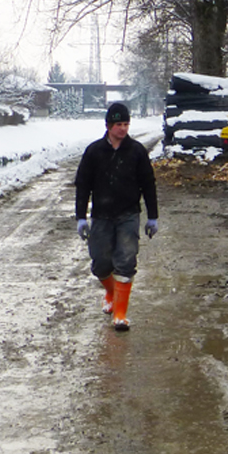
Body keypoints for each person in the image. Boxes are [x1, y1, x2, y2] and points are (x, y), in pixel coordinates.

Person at [75, 102, 158, 331]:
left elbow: (148, 184)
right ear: (109, 125)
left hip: (128, 214)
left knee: (126, 260)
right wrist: (80, 216)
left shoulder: (137, 151)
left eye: (126, 124)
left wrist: (153, 216)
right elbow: (83, 184)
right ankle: (111, 293)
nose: (123, 128)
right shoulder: (94, 152)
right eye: (119, 124)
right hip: (101, 215)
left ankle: (120, 314)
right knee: (100, 263)